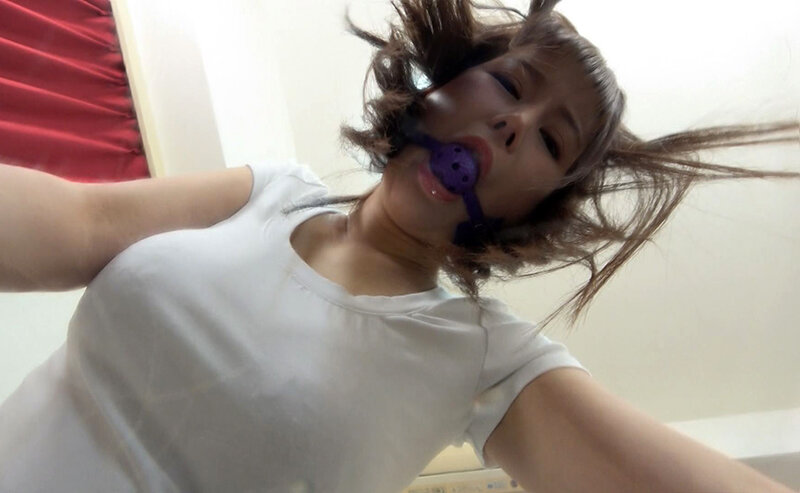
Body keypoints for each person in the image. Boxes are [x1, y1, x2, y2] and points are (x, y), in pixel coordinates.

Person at [0, 0, 797, 492]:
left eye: (551, 140)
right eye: (512, 85)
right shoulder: (269, 190)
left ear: (536, 206)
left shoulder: (484, 355)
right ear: (443, 83)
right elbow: (81, 223)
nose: (514, 123)